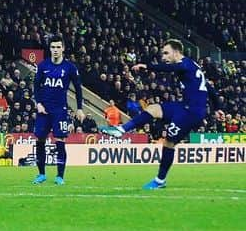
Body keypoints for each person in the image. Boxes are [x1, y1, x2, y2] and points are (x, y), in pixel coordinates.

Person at [103, 38, 208, 189]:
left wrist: (147, 66)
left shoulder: (184, 64)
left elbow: (170, 69)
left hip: (191, 111)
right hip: (184, 106)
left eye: (166, 53)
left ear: (177, 52)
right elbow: (208, 87)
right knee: (152, 109)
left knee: (169, 142)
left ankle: (160, 180)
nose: (163, 57)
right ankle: (122, 130)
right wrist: (217, 104)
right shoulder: (192, 65)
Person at [32, 36, 83, 186]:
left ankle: (60, 176)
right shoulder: (42, 66)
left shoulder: (70, 68)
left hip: (60, 110)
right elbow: (36, 86)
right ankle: (41, 174)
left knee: (60, 140)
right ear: (50, 49)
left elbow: (78, 89)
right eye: (53, 47)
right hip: (44, 110)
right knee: (40, 139)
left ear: (63, 48)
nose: (55, 50)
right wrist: (38, 103)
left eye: (57, 47)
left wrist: (79, 108)